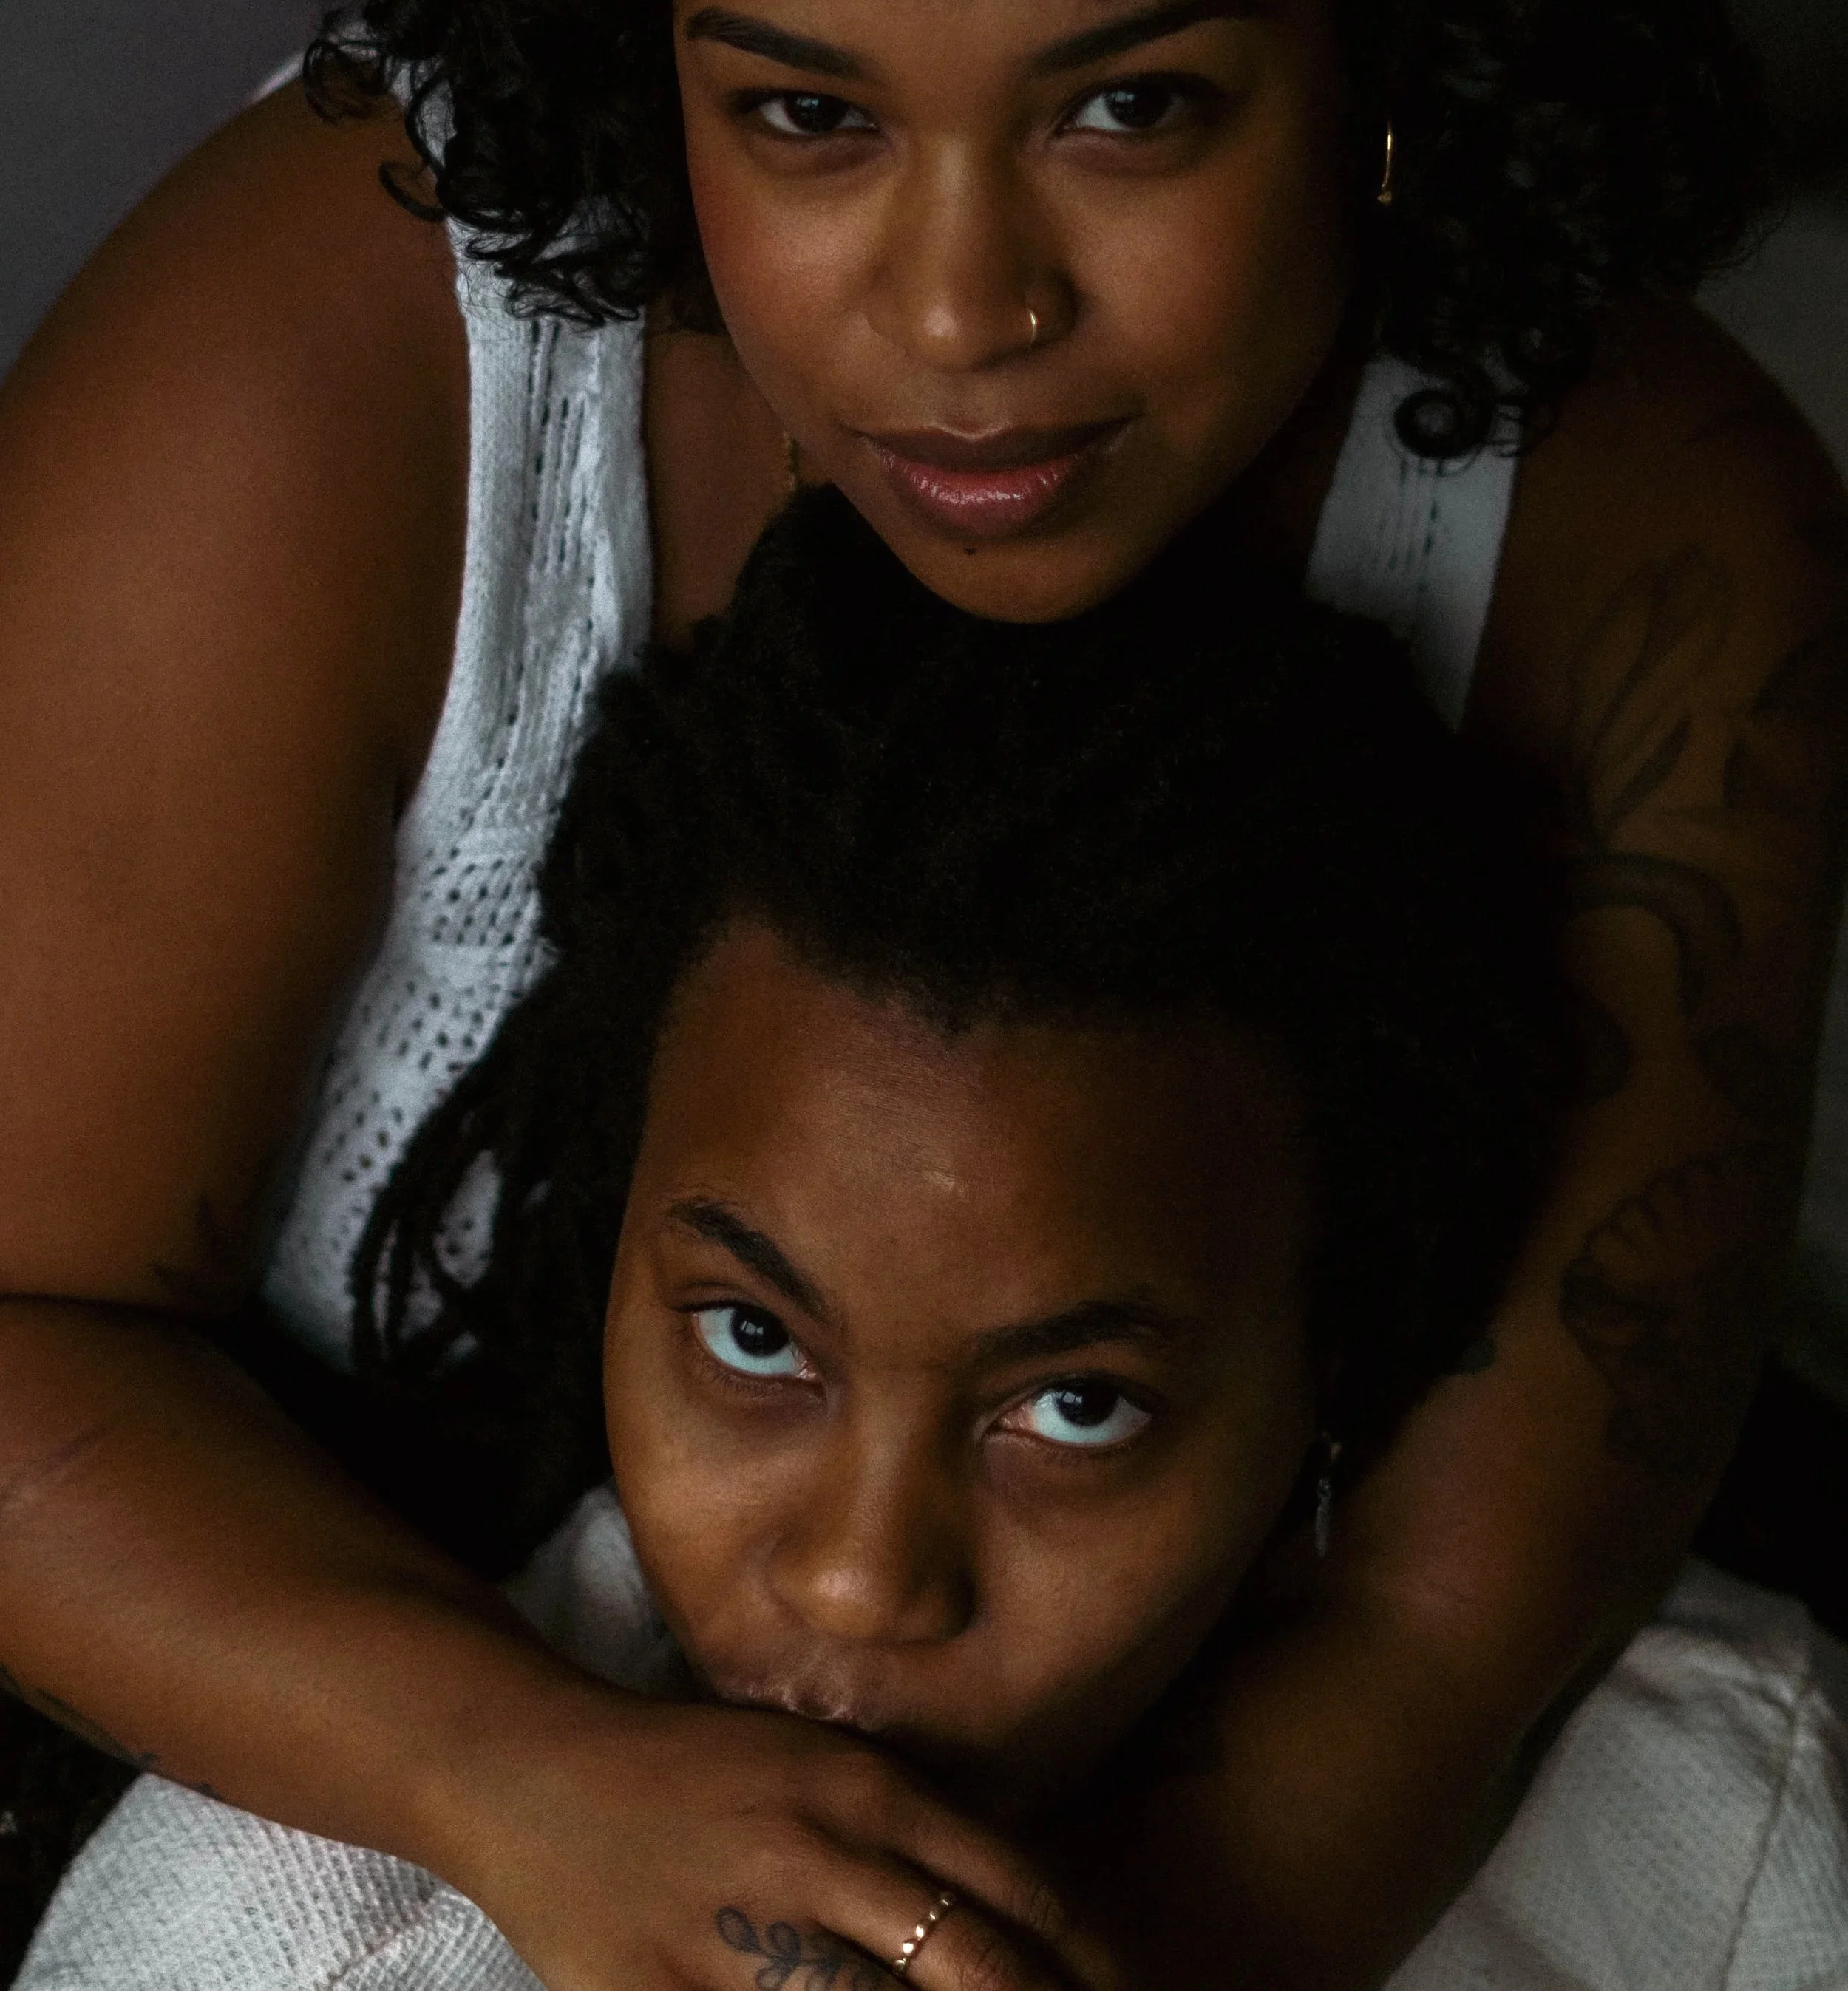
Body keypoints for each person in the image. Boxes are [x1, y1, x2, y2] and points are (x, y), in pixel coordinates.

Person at [1, 0, 1844, 1986]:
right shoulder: (321, 361)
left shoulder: (1640, 541)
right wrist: (510, 1774)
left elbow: (1431, 1630)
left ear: (1390, 39)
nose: (965, 309)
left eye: (1133, 105)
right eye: (803, 112)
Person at [19, 490, 1848, 1991]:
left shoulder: (1732, 1823)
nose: (858, 1579)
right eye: (752, 1340)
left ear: (1331, 1365)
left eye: (1073, 1408)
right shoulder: (288, 1934)